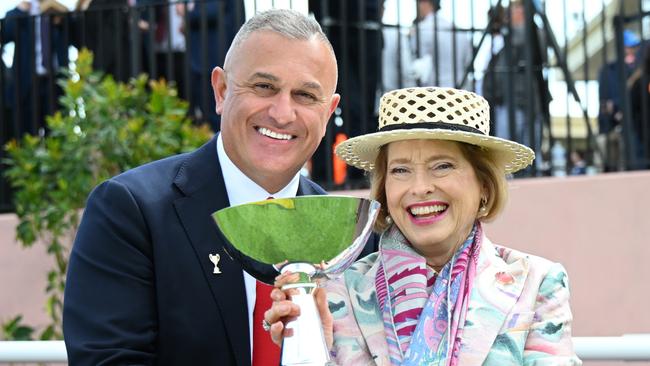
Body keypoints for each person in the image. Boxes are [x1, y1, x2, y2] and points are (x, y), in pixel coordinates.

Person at [62, 9, 376, 365]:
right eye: (264, 87)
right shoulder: (131, 211)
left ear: (329, 109)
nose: (283, 113)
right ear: (221, 90)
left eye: (305, 95)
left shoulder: (351, 239)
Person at [266, 87, 581, 365]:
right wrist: (308, 346)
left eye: (442, 166)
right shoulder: (341, 289)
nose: (419, 187)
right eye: (401, 170)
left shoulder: (537, 283)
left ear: (484, 185)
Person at [482, 0, 550, 175]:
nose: (508, 15)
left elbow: (537, 52)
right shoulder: (502, 37)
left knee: (528, 155)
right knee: (507, 154)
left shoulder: (532, 33)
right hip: (507, 101)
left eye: (514, 9)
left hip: (527, 102)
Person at [410, 0, 472, 88]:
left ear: (425, 3)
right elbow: (468, 61)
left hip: (435, 92)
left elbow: (416, 64)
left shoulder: (422, 29)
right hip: (460, 90)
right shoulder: (458, 31)